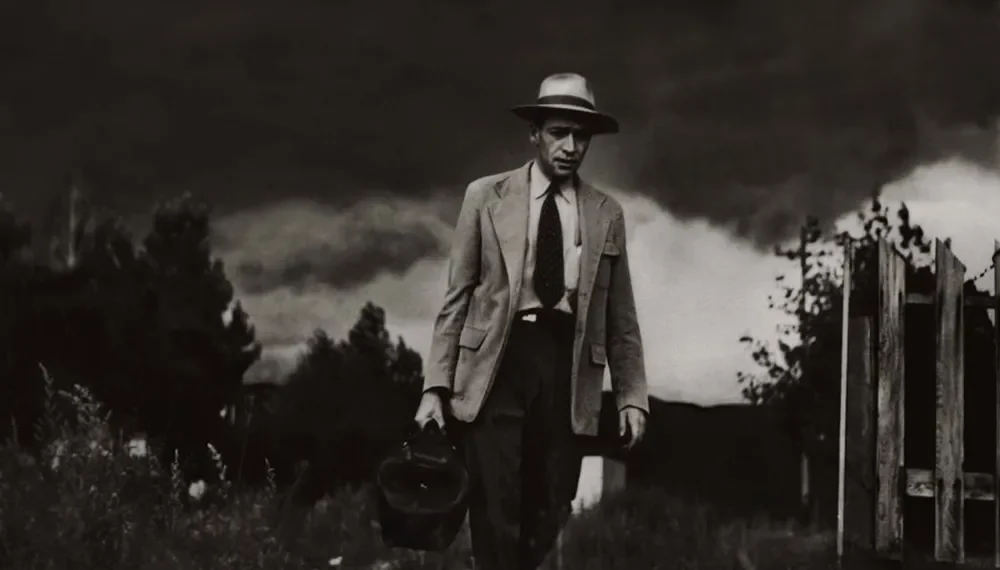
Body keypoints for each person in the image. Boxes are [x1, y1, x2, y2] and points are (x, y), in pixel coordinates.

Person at [414, 72, 649, 569]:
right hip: (496, 364)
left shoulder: (608, 213)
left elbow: (621, 315)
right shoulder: (485, 196)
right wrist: (435, 387)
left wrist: (632, 397)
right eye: (559, 133)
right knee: (495, 506)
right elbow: (456, 297)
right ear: (535, 133)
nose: (570, 147)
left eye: (580, 136)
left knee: (551, 506)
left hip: (569, 369)